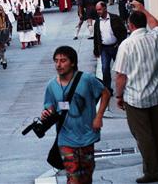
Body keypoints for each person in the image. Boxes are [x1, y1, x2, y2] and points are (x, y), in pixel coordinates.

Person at [113, 2, 158, 183]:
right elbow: (156, 25)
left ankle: (152, 171)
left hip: (135, 97)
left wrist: (118, 96)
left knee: (143, 136)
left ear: (130, 25)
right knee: (157, 132)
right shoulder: (155, 38)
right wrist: (143, 9)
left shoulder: (127, 45)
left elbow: (121, 75)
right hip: (156, 95)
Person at [42, 46, 110, 184]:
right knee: (73, 175)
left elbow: (105, 93)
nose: (58, 65)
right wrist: (47, 113)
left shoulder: (87, 79)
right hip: (65, 137)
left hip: (87, 135)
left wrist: (99, 116)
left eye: (63, 61)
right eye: (56, 61)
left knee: (86, 174)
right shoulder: (51, 85)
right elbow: (50, 107)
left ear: (72, 63)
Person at [93, 2, 127, 94]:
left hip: (116, 47)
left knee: (120, 68)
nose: (98, 12)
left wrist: (119, 43)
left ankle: (124, 87)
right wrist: (96, 50)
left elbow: (123, 32)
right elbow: (96, 36)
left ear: (105, 8)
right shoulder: (97, 22)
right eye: (97, 10)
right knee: (105, 68)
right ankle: (107, 89)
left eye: (99, 9)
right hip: (104, 49)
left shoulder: (115, 18)